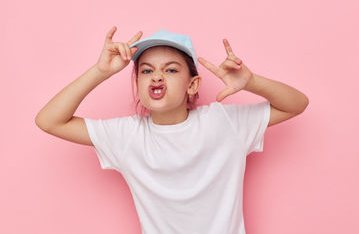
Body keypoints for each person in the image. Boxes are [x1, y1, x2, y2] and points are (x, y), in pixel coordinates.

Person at [35, 27, 309, 234]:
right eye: (146, 71)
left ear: (193, 85)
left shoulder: (224, 123)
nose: (156, 77)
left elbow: (296, 104)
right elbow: (49, 121)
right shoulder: (127, 137)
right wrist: (99, 71)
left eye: (171, 70)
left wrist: (252, 82)